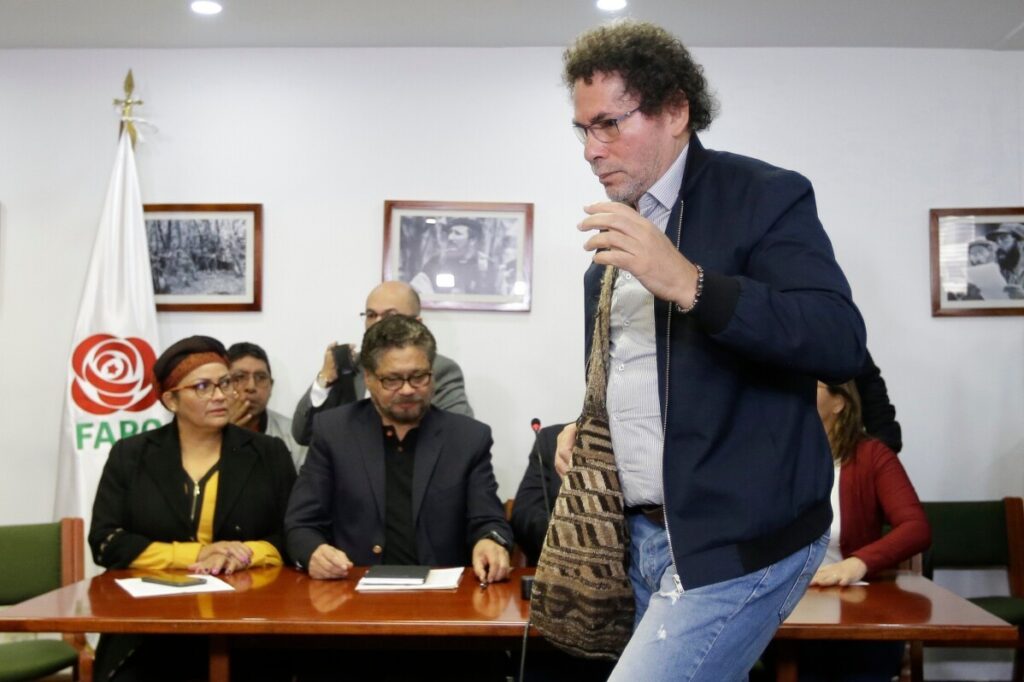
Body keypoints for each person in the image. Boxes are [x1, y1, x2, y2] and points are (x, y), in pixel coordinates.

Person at [555, 20, 866, 681]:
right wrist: (592, 427)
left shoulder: (765, 196)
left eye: (609, 124)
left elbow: (838, 338)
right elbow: (653, 382)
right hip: (641, 539)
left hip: (742, 541)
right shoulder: (607, 256)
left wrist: (691, 284)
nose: (591, 149)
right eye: (583, 130)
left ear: (675, 110)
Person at [89, 335, 296, 681]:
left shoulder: (268, 453)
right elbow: (105, 541)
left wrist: (243, 553)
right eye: (202, 387)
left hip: (250, 621)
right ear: (171, 400)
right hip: (149, 626)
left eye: (225, 383)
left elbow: (293, 535)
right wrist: (197, 554)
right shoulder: (132, 455)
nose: (220, 396)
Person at [285, 314, 511, 578]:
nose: (407, 390)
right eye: (392, 380)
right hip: (352, 587)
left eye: (418, 377)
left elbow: (489, 520)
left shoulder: (467, 438)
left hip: (443, 593)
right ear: (369, 379)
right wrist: (314, 552)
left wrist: (490, 541)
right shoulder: (334, 432)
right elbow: (301, 524)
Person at [799, 380, 931, 681]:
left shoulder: (872, 455)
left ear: (840, 402)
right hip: (786, 607)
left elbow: (916, 527)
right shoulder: (777, 455)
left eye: (813, 384)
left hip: (852, 609)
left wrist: (857, 563)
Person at [291, 280, 473, 446]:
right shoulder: (350, 365)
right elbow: (303, 435)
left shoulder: (439, 369)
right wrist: (324, 381)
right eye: (371, 315)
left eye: (390, 315)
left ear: (418, 324)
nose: (377, 324)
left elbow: (460, 438)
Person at [226, 341, 307, 470]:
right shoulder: (206, 433)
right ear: (224, 385)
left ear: (271, 387)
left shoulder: (293, 435)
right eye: (240, 377)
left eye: (260, 377)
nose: (251, 386)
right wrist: (225, 436)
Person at [412, 218, 491, 294]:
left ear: (472, 240)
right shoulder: (436, 261)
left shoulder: (487, 265)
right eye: (450, 233)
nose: (450, 237)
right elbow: (417, 287)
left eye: (457, 233)